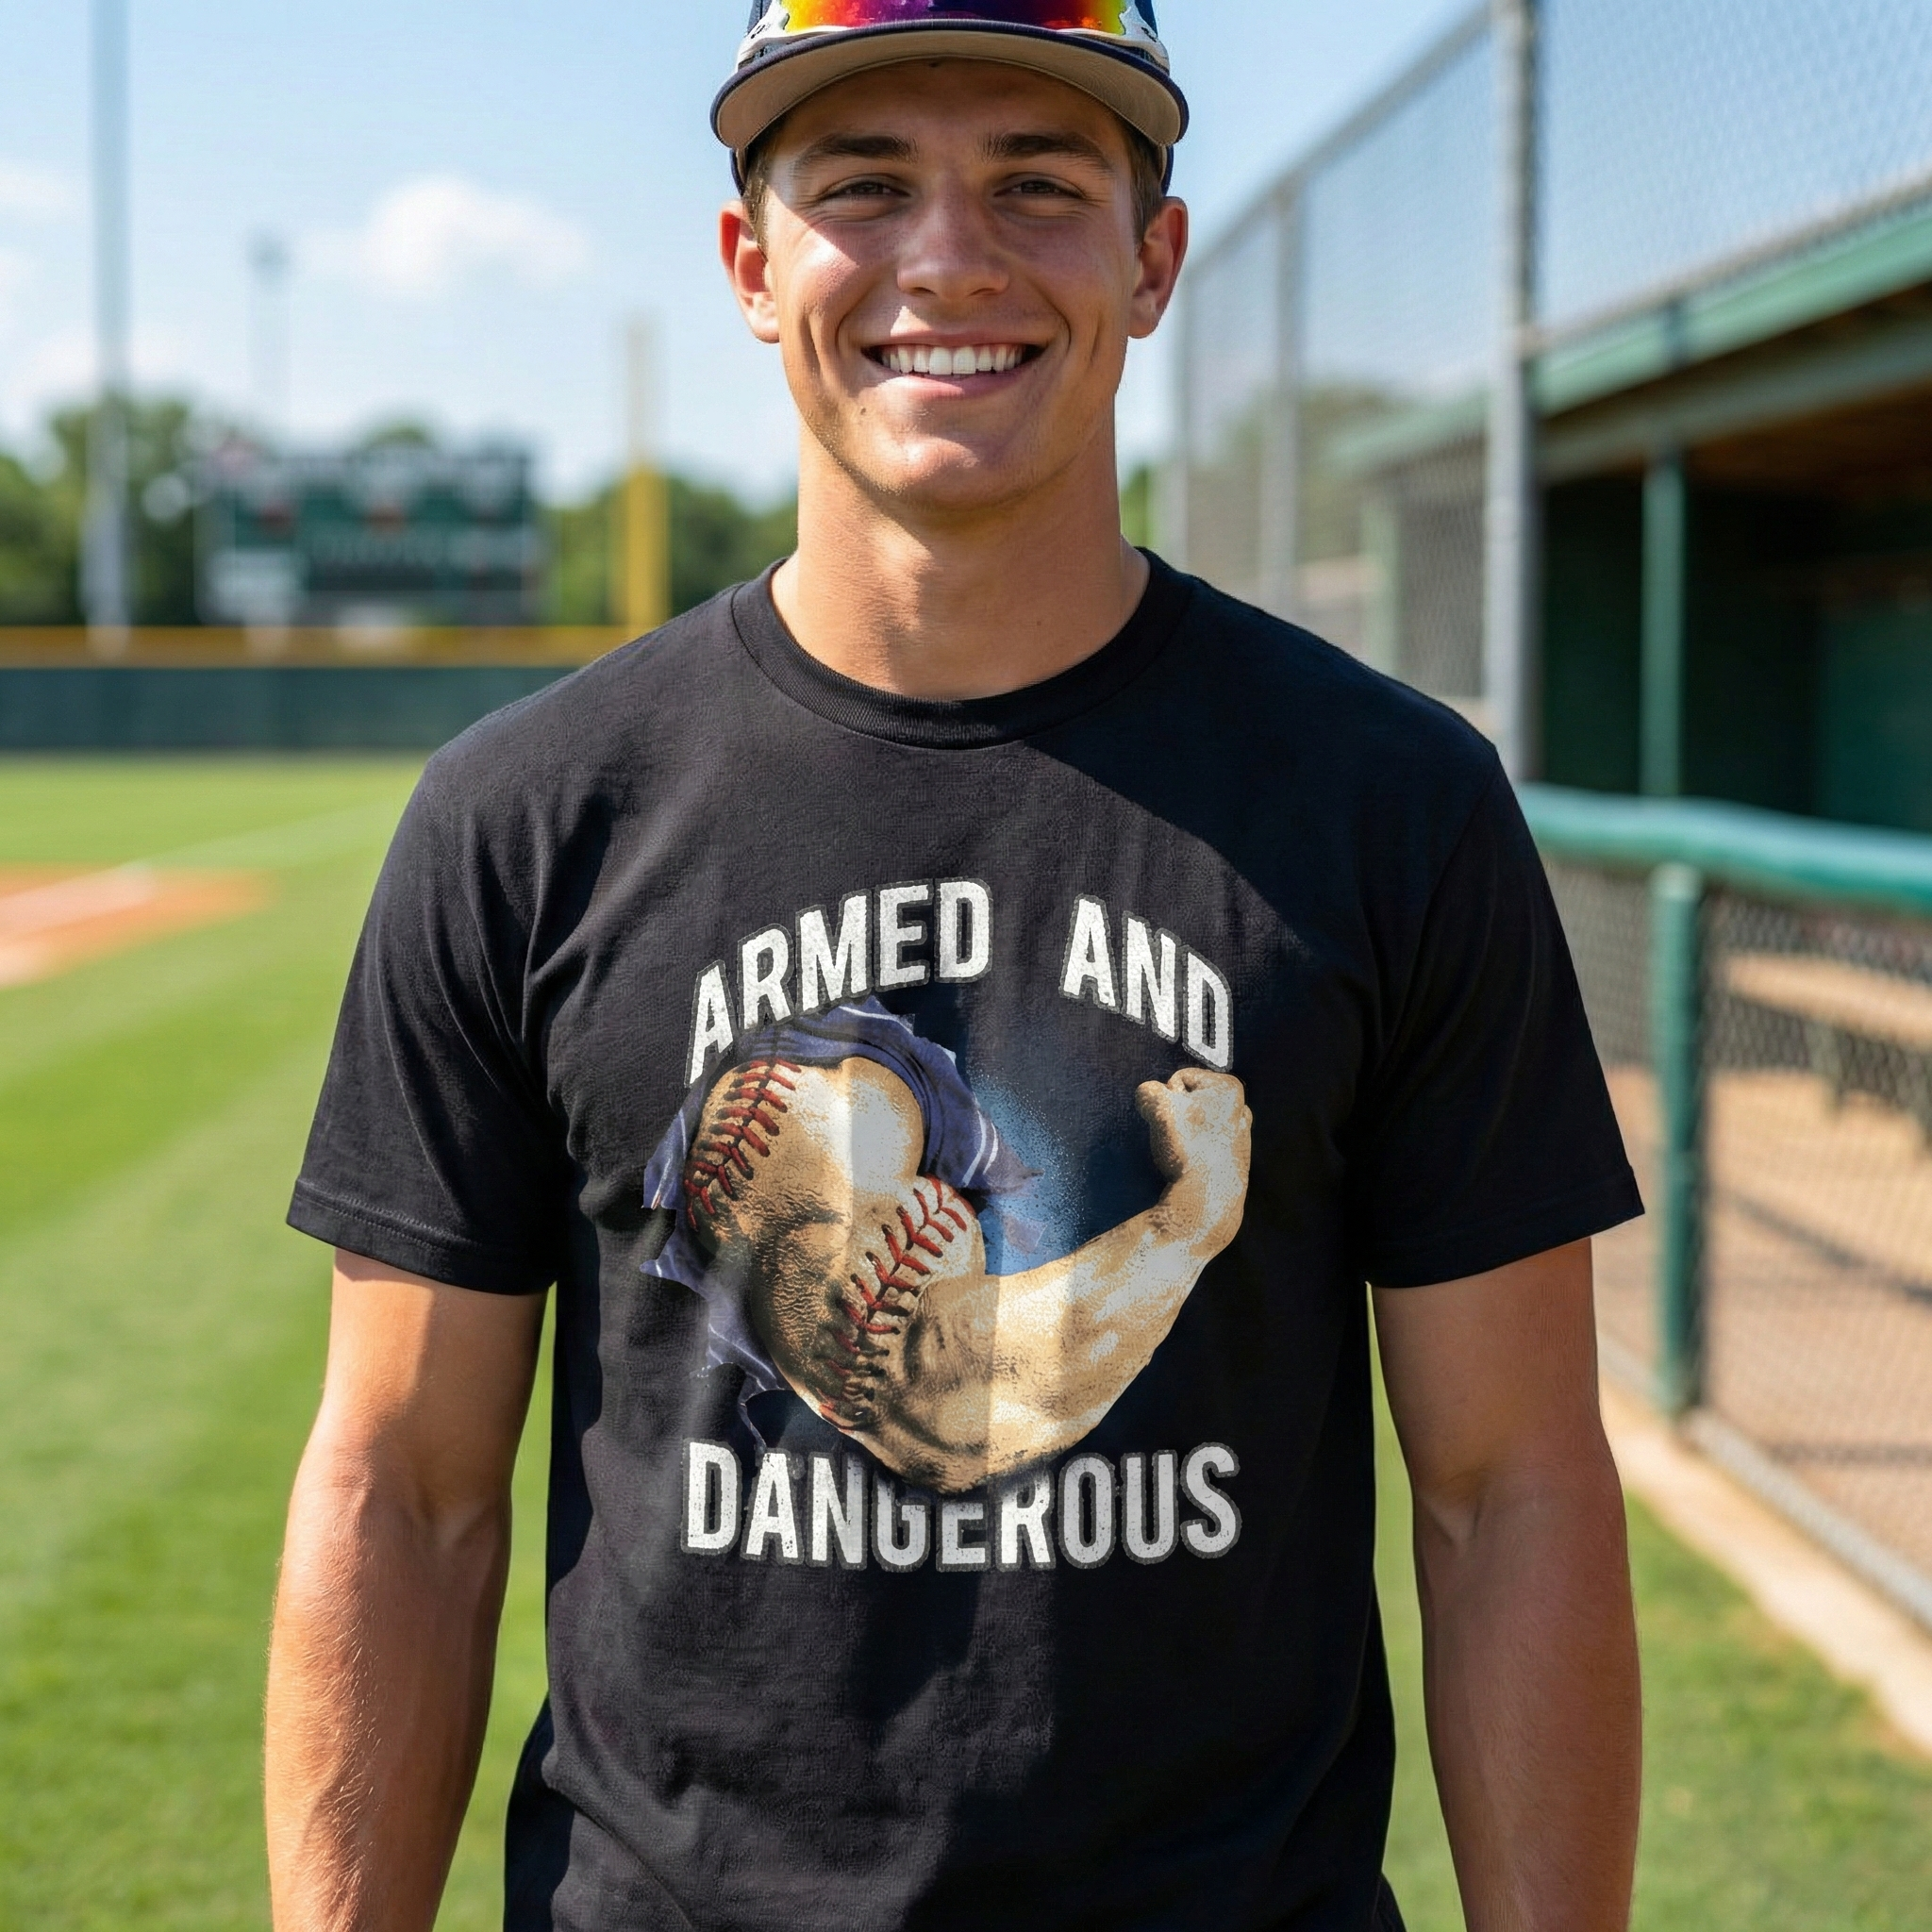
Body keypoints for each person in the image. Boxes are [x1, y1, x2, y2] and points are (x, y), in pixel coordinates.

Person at [265, 4, 1644, 1927]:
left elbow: (1509, 1492)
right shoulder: (528, 819)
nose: (949, 259)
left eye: (1036, 183)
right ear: (753, 265)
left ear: (1149, 261)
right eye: (863, 186)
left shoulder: (1389, 804)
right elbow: (401, 1488)